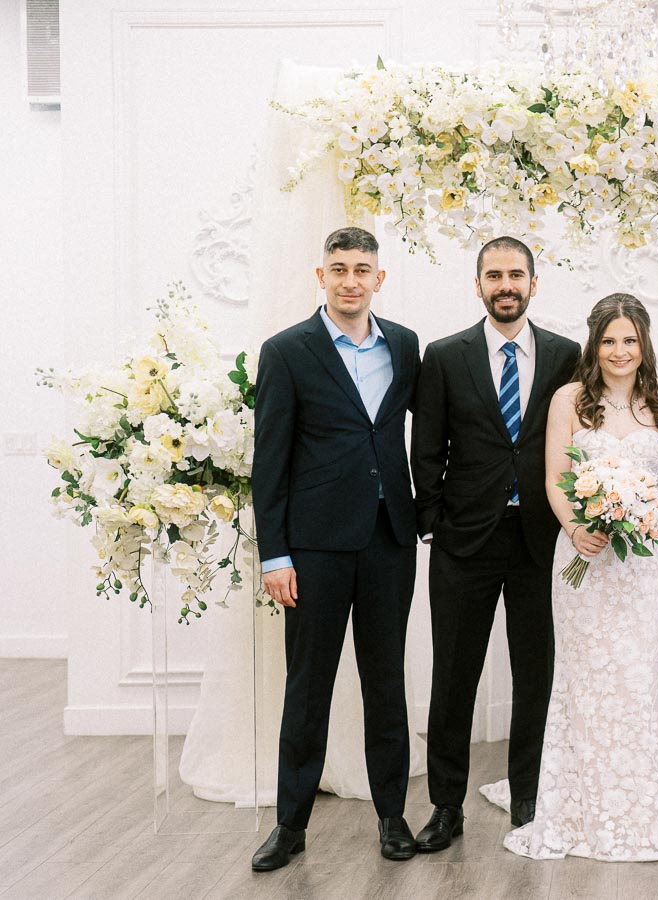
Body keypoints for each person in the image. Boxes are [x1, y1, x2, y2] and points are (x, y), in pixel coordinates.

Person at [480, 292, 658, 860]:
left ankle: (646, 802)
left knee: (639, 676)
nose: (619, 351)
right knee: (584, 677)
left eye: (630, 340)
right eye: (609, 340)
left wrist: (641, 510)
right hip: (581, 559)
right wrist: (579, 527)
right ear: (595, 345)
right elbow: (554, 478)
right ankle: (578, 804)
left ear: (645, 345)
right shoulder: (571, 399)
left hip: (642, 567)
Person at [250, 226, 421, 870]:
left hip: (388, 543)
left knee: (386, 684)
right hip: (313, 550)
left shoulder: (403, 347)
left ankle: (392, 816)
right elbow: (270, 459)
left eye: (363, 269)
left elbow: (418, 435)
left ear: (380, 279)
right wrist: (275, 555)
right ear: (320, 276)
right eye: (339, 267)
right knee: (308, 685)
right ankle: (290, 827)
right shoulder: (287, 351)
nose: (351, 279)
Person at [410, 236, 581, 851]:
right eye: (494, 276)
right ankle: (445, 806)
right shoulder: (445, 355)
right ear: (477, 285)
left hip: (541, 537)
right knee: (454, 676)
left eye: (516, 275)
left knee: (537, 674)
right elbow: (426, 445)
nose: (505, 285)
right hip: (464, 540)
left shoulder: (566, 355)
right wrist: (433, 521)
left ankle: (529, 796)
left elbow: (577, 441)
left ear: (534, 284)